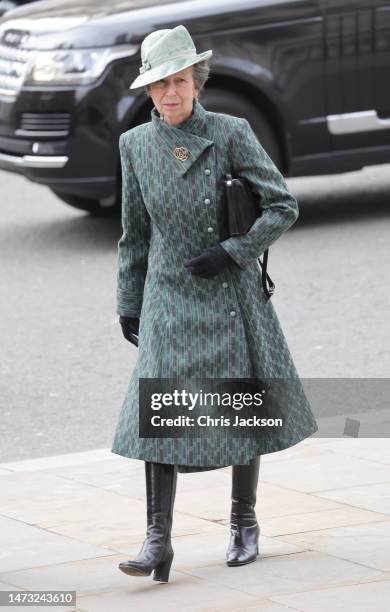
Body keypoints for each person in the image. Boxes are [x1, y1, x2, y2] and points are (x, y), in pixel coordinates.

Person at [111, 25, 318, 583]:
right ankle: (158, 540)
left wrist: (233, 251)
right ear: (148, 91)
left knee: (239, 401)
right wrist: (128, 301)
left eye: (178, 81)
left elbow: (282, 206)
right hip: (165, 293)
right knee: (160, 410)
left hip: (227, 288)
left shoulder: (231, 132)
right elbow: (133, 234)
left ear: (196, 83)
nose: (169, 94)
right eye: (158, 85)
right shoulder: (133, 145)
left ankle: (244, 523)